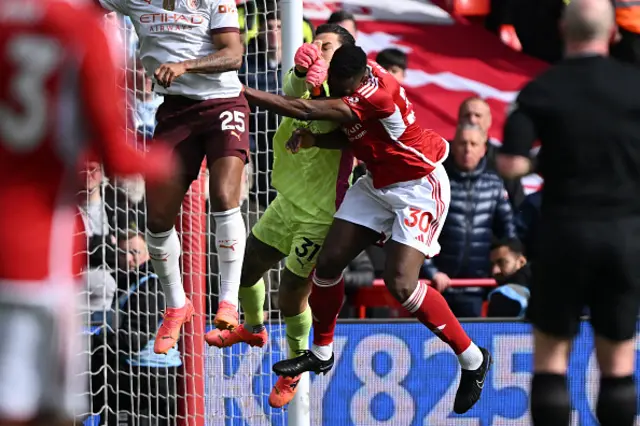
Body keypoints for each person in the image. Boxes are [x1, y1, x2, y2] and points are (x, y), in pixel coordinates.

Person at [243, 44, 492, 414]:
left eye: (344, 85)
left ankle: (472, 359)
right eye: (335, 83)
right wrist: (316, 138)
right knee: (327, 264)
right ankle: (322, 352)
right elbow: (357, 135)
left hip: (418, 186)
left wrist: (242, 91)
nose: (339, 91)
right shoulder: (355, 77)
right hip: (377, 181)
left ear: (358, 77)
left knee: (402, 285)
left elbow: (307, 108)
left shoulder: (379, 93)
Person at [0, 1, 175, 425]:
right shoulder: (83, 30)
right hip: (39, 253)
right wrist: (168, 163)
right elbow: (117, 155)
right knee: (49, 409)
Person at [496, 0, 640, 424]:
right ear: (613, 34)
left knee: (551, 360)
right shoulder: (634, 87)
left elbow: (509, 164)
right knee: (617, 362)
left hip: (563, 237)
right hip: (623, 236)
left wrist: (548, 161)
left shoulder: (541, 90)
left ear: (562, 30)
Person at [206, 24, 356, 409]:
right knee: (245, 268)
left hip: (320, 216)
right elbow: (292, 92)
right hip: (285, 201)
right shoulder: (305, 78)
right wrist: (304, 73)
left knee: (291, 295)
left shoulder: (350, 96)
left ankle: (291, 369)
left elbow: (325, 116)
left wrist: (321, 85)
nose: (316, 49)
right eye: (315, 42)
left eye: (326, 46)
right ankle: (253, 329)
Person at [96, 0, 252, 354]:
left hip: (223, 104)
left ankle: (228, 302)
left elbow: (233, 55)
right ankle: (177, 305)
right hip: (176, 111)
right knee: (158, 217)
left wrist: (186, 65)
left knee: (225, 197)